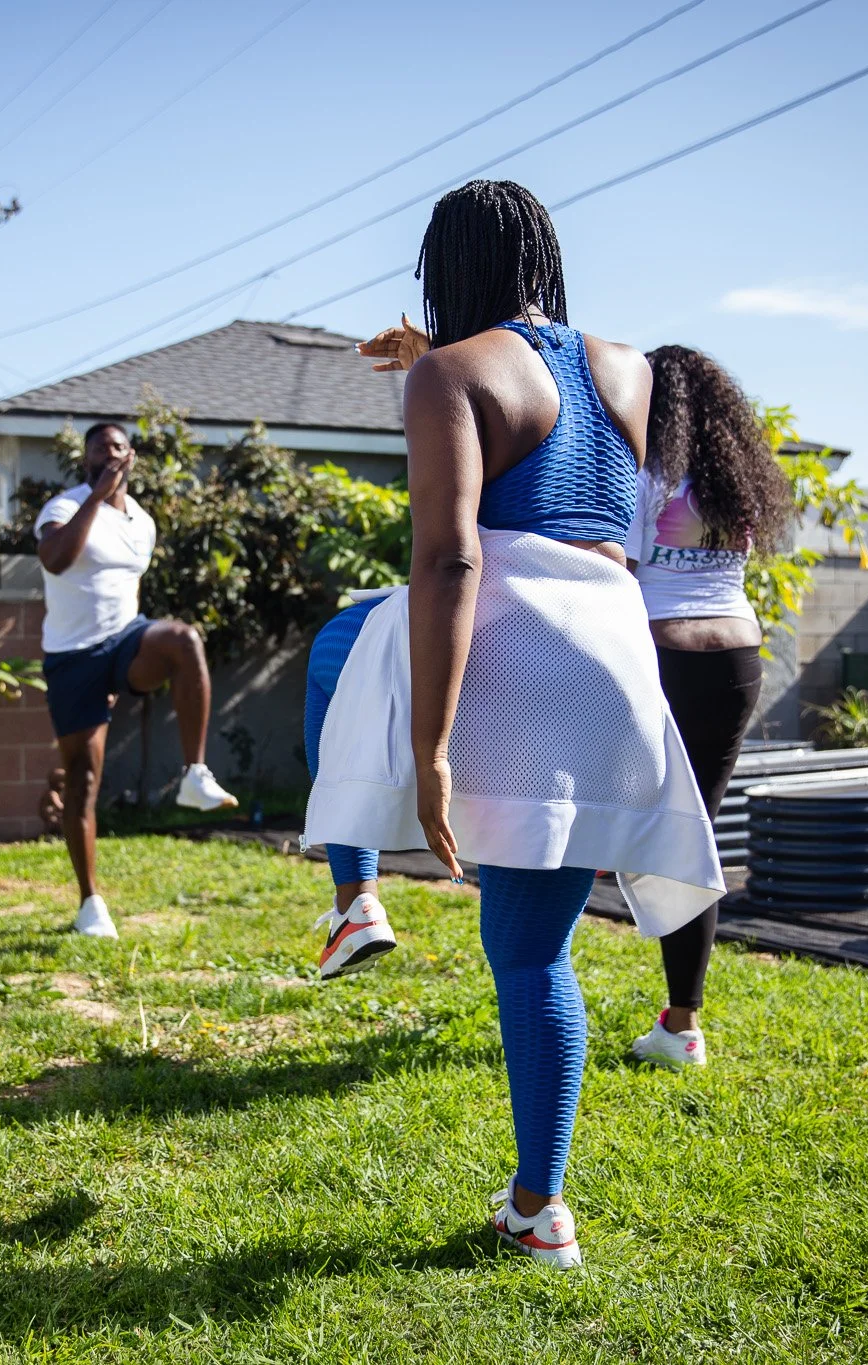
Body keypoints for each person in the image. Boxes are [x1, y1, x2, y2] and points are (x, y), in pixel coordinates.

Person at [305, 181, 722, 1270]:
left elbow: (449, 556)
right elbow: (560, 448)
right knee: (532, 950)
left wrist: (432, 751)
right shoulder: (626, 366)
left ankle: (353, 893)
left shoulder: (451, 374)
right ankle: (538, 1208)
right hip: (613, 647)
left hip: (517, 639)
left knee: (334, 654)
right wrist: (428, 359)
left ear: (446, 270)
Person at [623, 345, 793, 1070]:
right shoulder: (739, 485)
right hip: (736, 661)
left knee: (631, 825)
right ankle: (681, 1022)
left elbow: (619, 570)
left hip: (661, 657)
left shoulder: (646, 476)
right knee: (695, 830)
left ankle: (550, 979)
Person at [35, 422, 238, 939]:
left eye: (118, 450)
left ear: (132, 457)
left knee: (184, 639)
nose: (110, 458)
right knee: (82, 781)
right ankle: (90, 903)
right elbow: (56, 561)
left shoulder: (142, 523)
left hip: (125, 641)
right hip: (73, 657)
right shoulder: (64, 507)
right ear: (86, 461)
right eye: (99, 452)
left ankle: (195, 774)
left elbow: (125, 587)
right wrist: (97, 498)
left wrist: (126, 661)